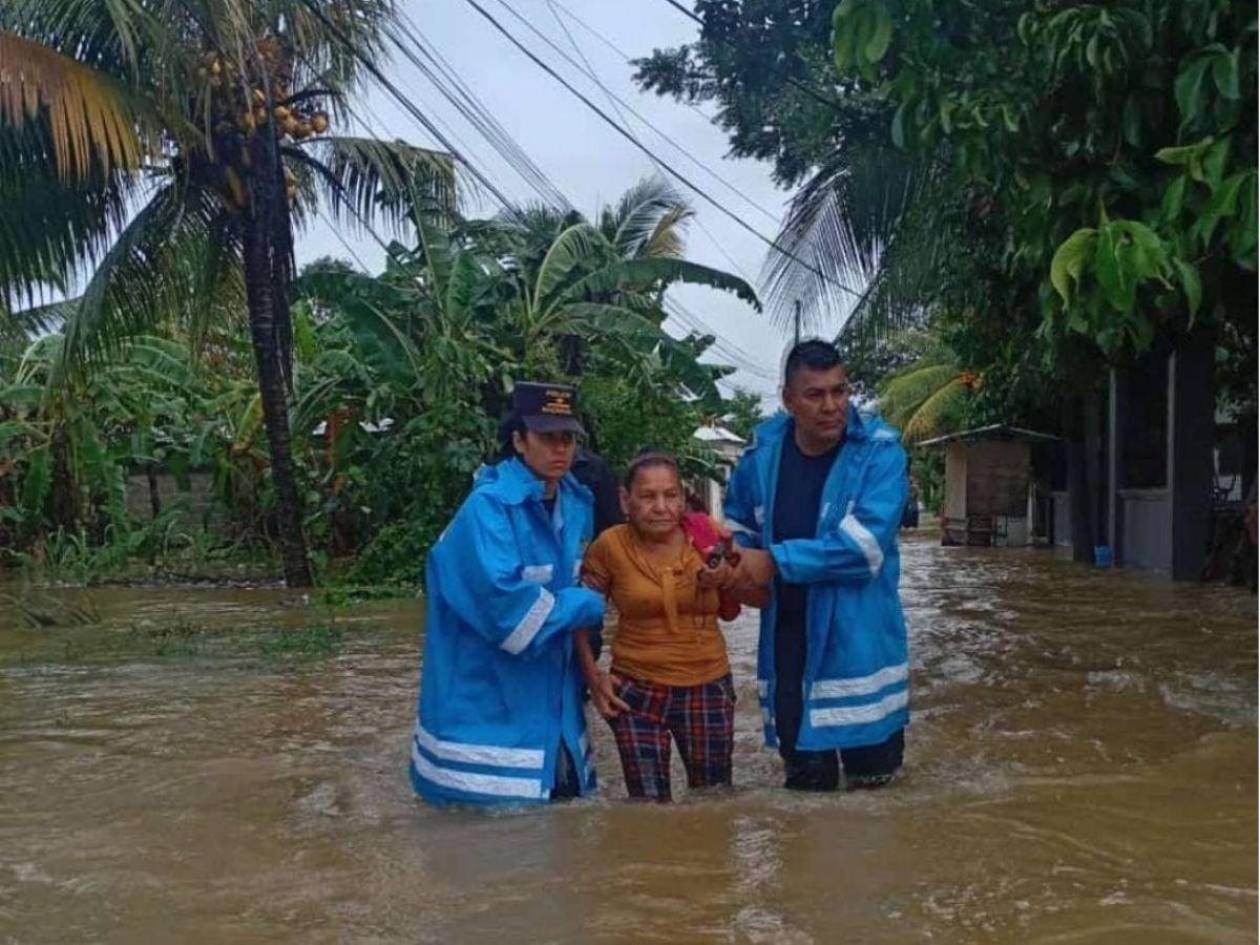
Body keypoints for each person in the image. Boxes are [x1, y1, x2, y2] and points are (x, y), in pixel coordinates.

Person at [715, 339, 910, 792]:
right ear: (788, 400)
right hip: (789, 644)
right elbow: (738, 526)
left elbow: (863, 550)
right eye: (815, 394)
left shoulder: (880, 453)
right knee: (803, 797)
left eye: (840, 391)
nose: (831, 406)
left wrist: (774, 561)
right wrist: (732, 565)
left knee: (876, 800)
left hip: (861, 649)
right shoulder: (761, 455)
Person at [409, 382, 606, 807]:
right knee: (497, 838)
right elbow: (513, 617)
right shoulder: (487, 510)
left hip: (552, 714)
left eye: (568, 437)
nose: (560, 448)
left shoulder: (576, 501)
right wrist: (588, 603)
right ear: (518, 441)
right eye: (547, 437)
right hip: (484, 721)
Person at [576, 451, 762, 801]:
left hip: (707, 686)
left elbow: (754, 594)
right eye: (648, 496)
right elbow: (580, 619)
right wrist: (593, 678)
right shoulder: (609, 547)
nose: (661, 507)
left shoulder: (708, 537)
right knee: (646, 808)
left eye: (671, 495)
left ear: (682, 498)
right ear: (625, 500)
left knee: (713, 801)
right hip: (635, 690)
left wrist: (726, 576)